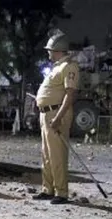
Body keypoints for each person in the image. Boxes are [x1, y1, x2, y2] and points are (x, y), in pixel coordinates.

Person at [33, 32, 79, 205]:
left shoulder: (69, 67)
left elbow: (70, 94)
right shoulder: (57, 67)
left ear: (58, 50)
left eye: (50, 50)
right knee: (46, 154)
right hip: (46, 113)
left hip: (56, 114)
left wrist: (59, 117)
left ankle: (61, 192)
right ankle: (48, 188)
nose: (48, 53)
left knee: (57, 154)